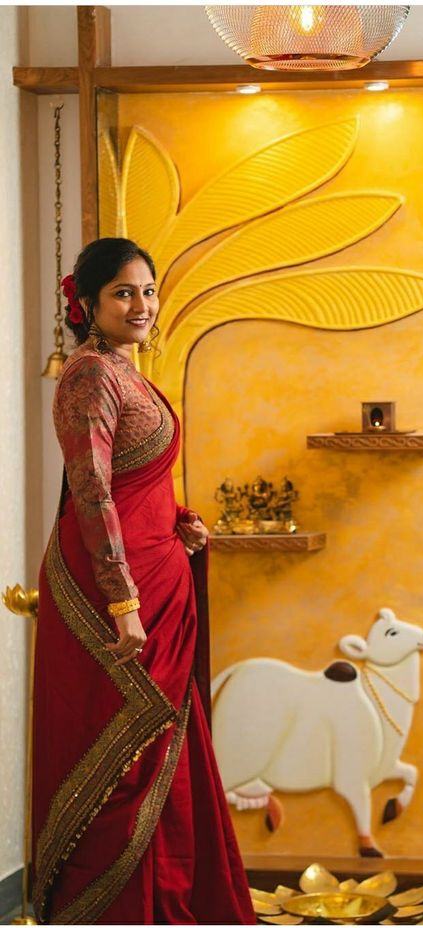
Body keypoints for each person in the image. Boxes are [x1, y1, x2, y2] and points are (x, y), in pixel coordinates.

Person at [32, 238, 256, 925]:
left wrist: (182, 521)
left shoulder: (127, 374)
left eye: (149, 291)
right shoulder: (90, 376)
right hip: (115, 592)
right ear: (89, 305)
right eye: (124, 293)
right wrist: (123, 600)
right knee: (121, 757)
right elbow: (92, 489)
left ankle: (169, 900)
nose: (142, 306)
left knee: (161, 753)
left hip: (158, 574)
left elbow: (137, 481)